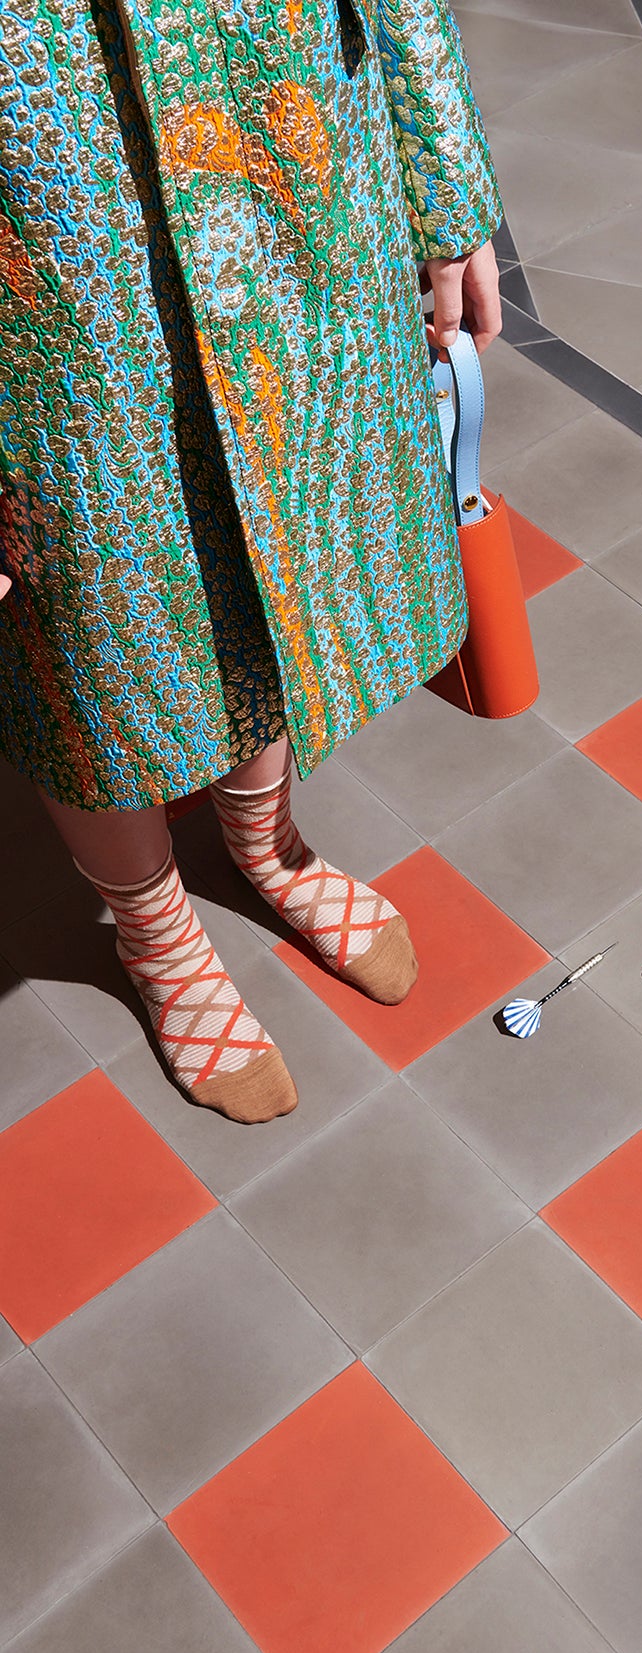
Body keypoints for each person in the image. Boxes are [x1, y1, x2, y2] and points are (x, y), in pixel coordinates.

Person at [0, 0, 503, 1123]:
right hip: (41, 235)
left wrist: (445, 180)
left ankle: (263, 841)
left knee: (272, 541)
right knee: (92, 631)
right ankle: (153, 928)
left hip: (283, 154)